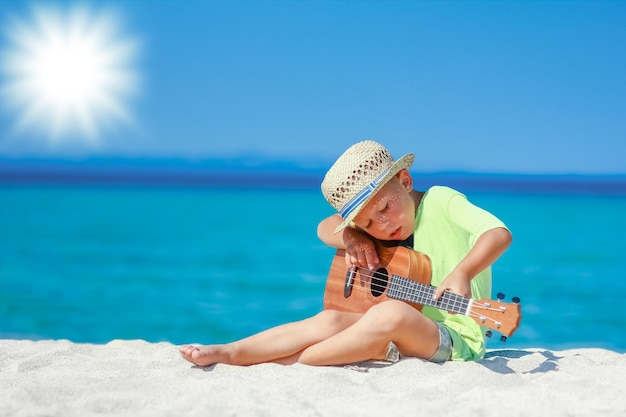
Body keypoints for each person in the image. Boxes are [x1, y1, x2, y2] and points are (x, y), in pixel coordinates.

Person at [179, 140, 512, 366]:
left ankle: (295, 361)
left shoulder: (442, 201)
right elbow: (324, 229)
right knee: (331, 318)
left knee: (390, 314)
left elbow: (498, 233)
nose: (381, 225)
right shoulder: (365, 226)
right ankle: (233, 351)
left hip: (454, 340)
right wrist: (352, 236)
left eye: (385, 207)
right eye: (367, 221)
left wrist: (464, 271)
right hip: (399, 324)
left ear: (406, 181)